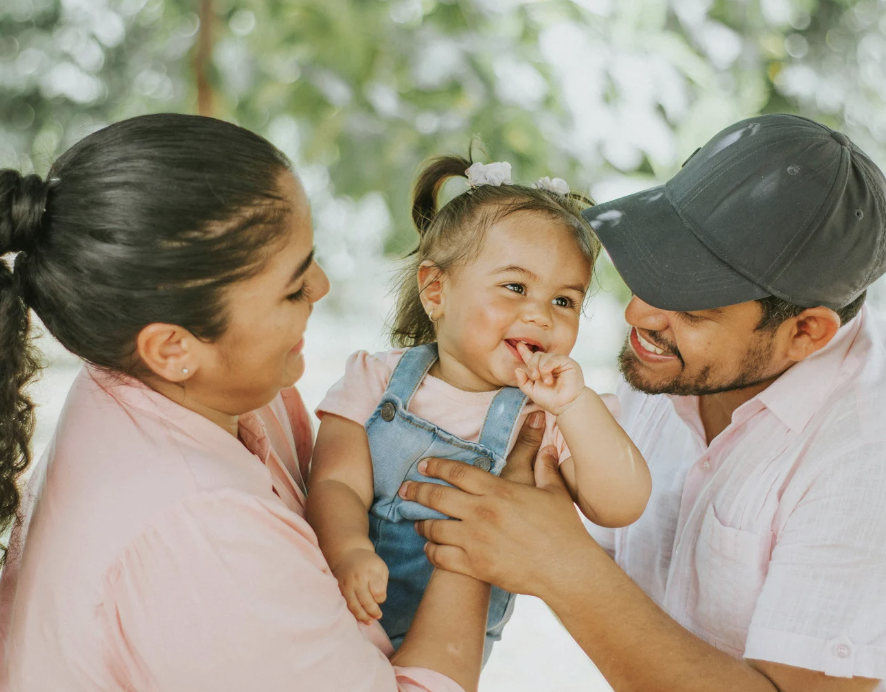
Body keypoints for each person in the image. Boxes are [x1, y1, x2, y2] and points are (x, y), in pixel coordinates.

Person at [0, 114, 511, 692]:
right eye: (293, 287)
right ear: (172, 347)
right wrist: (479, 526)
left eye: (309, 259)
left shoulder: (193, 384)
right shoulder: (202, 529)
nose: (322, 286)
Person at [401, 114, 886, 692]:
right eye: (654, 272)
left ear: (805, 332)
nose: (638, 316)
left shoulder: (862, 459)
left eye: (692, 306)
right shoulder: (677, 364)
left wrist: (565, 567)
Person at [306, 156, 651, 659]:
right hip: (342, 608)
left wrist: (576, 406)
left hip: (453, 645)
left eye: (565, 301)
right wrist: (348, 549)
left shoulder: (549, 414)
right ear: (436, 290)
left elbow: (621, 505)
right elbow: (335, 481)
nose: (540, 314)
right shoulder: (376, 378)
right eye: (516, 287)